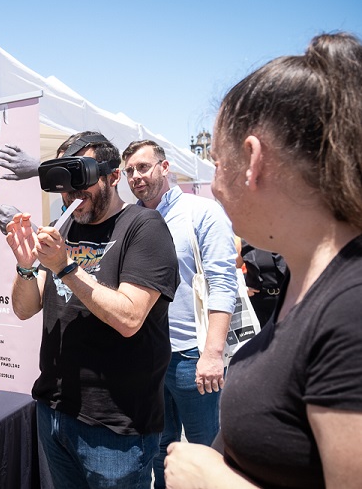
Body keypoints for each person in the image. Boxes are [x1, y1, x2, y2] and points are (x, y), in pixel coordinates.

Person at [164, 32, 362, 488]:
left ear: (252, 160)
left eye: (216, 162)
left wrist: (215, 481)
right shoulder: (307, 277)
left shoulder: (350, 310)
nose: (213, 185)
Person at [5, 131, 179, 488]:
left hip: (114, 426)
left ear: (113, 176)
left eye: (81, 183)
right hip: (53, 410)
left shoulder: (144, 227)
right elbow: (25, 309)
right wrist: (25, 267)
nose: (71, 196)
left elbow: (130, 318)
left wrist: (67, 267)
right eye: (64, 188)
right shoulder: (64, 225)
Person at [121, 140, 238, 489]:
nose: (136, 177)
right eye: (129, 171)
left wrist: (213, 353)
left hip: (193, 358)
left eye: (143, 167)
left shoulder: (200, 212)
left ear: (164, 167)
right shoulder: (131, 219)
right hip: (148, 357)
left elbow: (222, 282)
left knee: (208, 454)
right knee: (161, 451)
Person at [239, 239, 287, 326]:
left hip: (286, 299)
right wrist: (243, 288)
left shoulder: (284, 238)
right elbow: (233, 269)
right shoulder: (244, 242)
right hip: (259, 303)